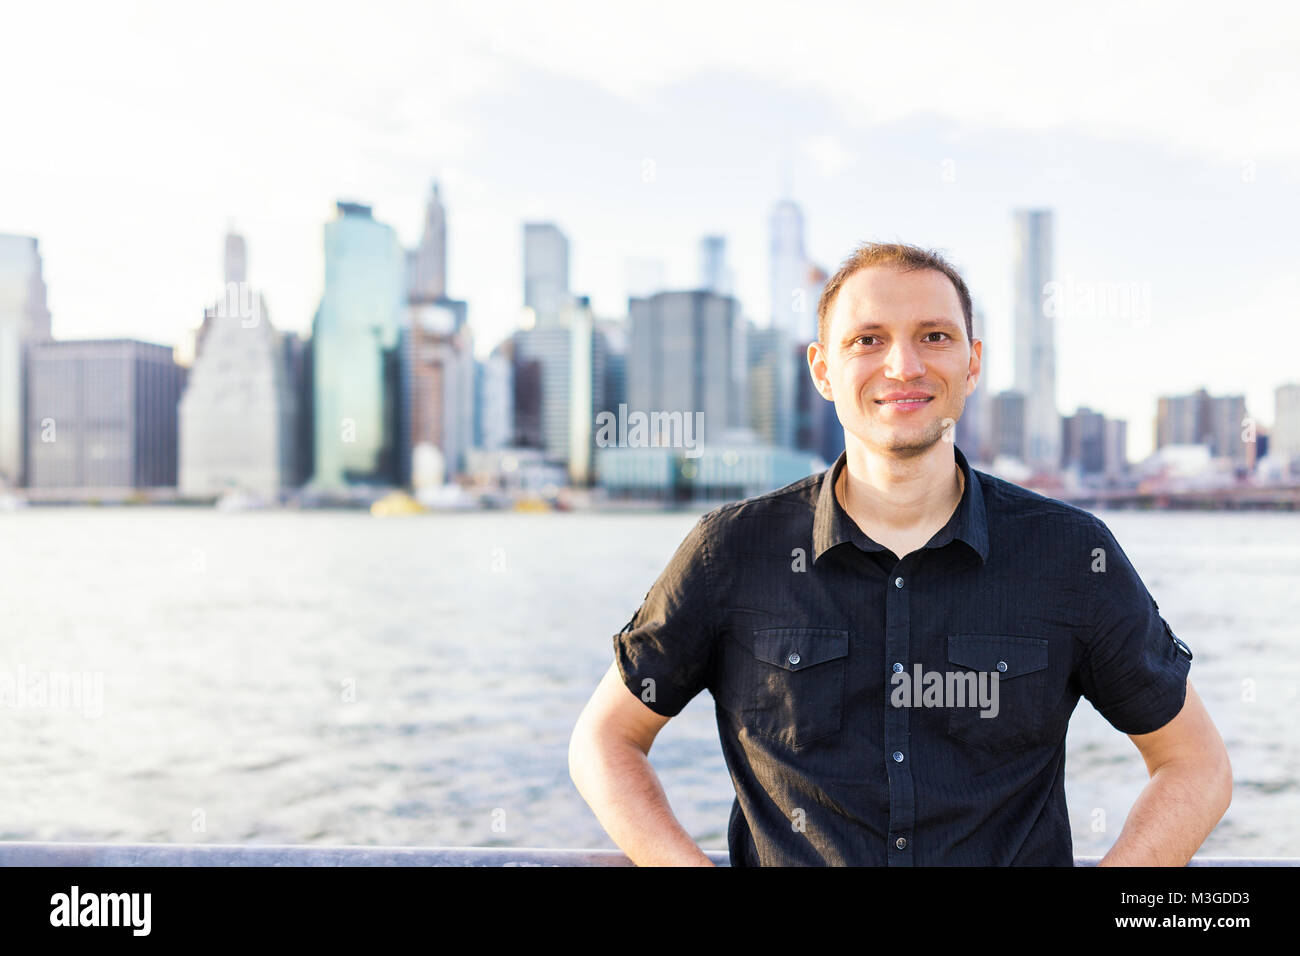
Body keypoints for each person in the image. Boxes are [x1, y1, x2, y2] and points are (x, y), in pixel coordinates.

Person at [568, 242, 1231, 866]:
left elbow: (1195, 764)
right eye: (868, 340)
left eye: (934, 337)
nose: (904, 366)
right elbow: (605, 741)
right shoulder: (732, 552)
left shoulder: (1069, 555)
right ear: (823, 370)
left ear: (972, 363)